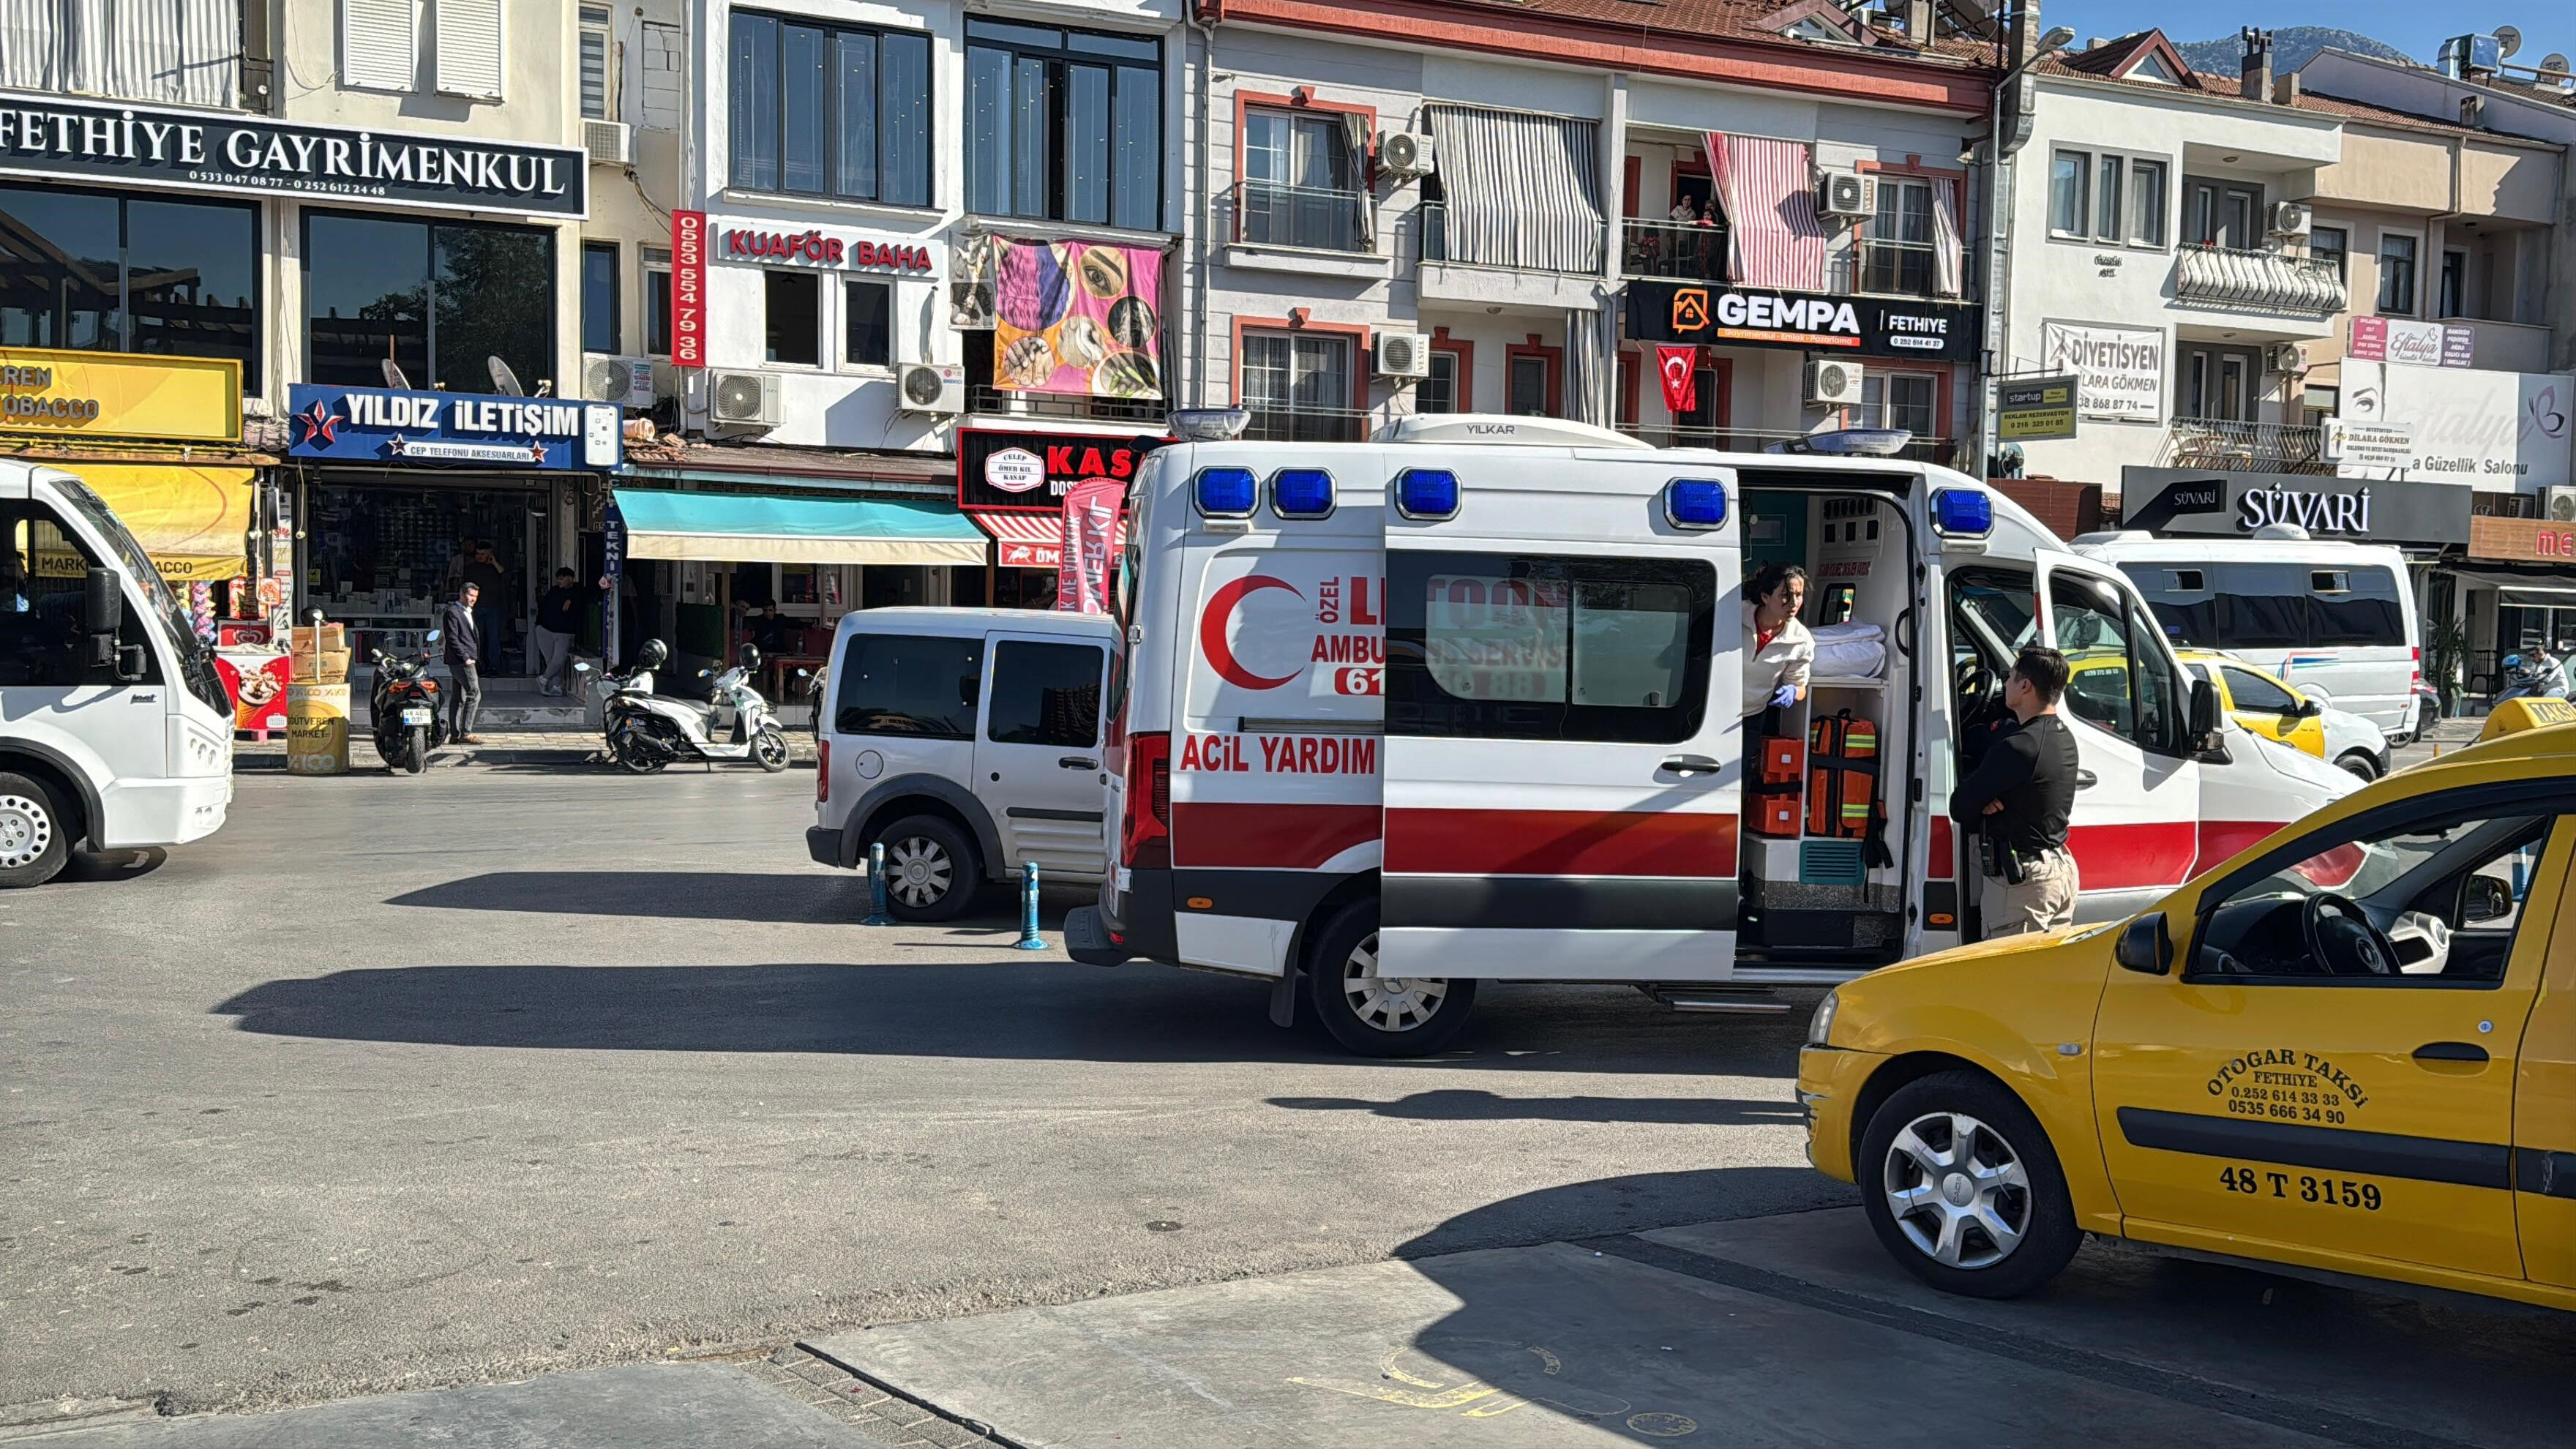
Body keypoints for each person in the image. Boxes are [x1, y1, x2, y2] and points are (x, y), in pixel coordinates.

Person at [1950, 645, 2081, 938]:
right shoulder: (2062, 737)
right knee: (2042, 979)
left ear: (2025, 686)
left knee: (2003, 979)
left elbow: (1959, 807)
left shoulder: (2016, 748)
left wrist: (1981, 795)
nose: (2005, 684)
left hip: (2023, 883)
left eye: (2010, 678)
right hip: (2060, 871)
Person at [1742, 560, 1813, 738]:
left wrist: (1793, 692)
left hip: (1750, 717)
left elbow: (1800, 686)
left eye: (1799, 595)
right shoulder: (1735, 615)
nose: (1794, 603)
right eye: (1785, 595)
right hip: (1709, 710)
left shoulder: (1801, 639)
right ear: (1765, 597)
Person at [528, 567, 590, 697]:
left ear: (571, 579)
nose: (559, 581)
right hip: (545, 629)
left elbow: (583, 596)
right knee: (550, 660)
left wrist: (570, 599)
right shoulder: (554, 591)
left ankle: (543, 679)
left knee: (559, 659)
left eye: (562, 578)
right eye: (558, 578)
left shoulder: (579, 591)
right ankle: (557, 686)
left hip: (565, 631)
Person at [438, 583, 484, 745]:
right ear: (462, 594)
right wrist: (465, 657)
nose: (473, 599)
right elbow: (452, 638)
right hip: (461, 661)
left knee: (458, 697)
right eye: (470, 595)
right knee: (474, 693)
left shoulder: (467, 612)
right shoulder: (453, 612)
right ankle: (466, 732)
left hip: (465, 658)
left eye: (475, 597)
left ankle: (455, 734)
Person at [460, 544, 507, 672]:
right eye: (478, 554)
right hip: (476, 607)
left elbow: (505, 576)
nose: (479, 557)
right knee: (477, 637)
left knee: (493, 638)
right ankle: (477, 665)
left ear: (489, 554)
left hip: (493, 607)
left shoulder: (495, 568)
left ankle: (494, 666)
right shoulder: (471, 568)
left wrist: (494, 562)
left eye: (482, 554)